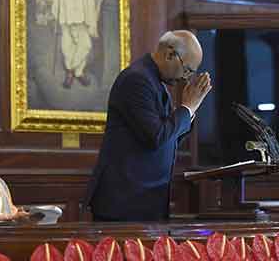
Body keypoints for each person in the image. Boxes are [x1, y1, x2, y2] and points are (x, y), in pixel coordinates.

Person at [85, 30, 212, 221]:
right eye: (187, 70)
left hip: (144, 201)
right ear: (170, 54)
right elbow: (156, 137)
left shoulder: (156, 83)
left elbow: (170, 139)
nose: (186, 78)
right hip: (125, 202)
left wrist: (190, 111)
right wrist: (187, 108)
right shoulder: (136, 80)